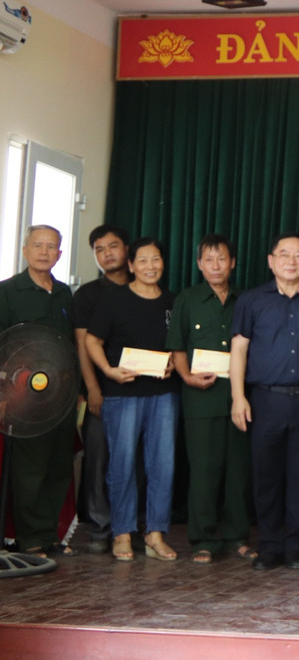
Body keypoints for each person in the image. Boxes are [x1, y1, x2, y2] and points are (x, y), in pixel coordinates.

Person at [231, 233, 299, 571]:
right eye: (284, 254)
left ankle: (295, 546)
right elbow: (239, 350)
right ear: (271, 261)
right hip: (265, 399)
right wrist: (238, 397)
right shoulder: (252, 300)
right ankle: (269, 545)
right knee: (266, 475)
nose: (291, 261)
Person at [84, 237, 179, 562]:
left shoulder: (172, 301)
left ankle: (155, 533)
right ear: (131, 265)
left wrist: (172, 362)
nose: (150, 266)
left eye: (156, 260)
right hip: (122, 394)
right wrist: (108, 371)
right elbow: (92, 341)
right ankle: (122, 532)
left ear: (163, 263)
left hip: (164, 394)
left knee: (163, 465)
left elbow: (178, 346)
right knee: (122, 463)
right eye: (143, 261)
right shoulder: (115, 299)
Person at [166, 234, 252, 563]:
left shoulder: (246, 300)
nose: (216, 266)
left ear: (233, 263)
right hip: (200, 399)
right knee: (204, 472)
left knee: (238, 472)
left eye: (222, 259)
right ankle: (203, 538)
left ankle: (237, 537)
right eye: (209, 260)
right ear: (200, 264)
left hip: (240, 398)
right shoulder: (187, 299)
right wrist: (187, 376)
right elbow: (177, 345)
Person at [0, 225, 77, 557]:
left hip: (61, 395)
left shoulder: (64, 294)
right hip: (22, 397)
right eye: (38, 245)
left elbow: (72, 345)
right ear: (25, 250)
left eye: (51, 247)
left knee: (58, 465)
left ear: (59, 253)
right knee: (30, 469)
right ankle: (30, 537)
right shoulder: (7, 291)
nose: (44, 252)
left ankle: (49, 534)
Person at [72, 223, 130, 555]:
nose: (107, 254)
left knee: (134, 461)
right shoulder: (88, 295)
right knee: (98, 461)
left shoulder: (144, 285)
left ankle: (129, 526)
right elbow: (83, 346)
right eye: (99, 250)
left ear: (126, 249)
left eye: (113, 246)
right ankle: (99, 528)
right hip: (102, 390)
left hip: (139, 391)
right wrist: (92, 388)